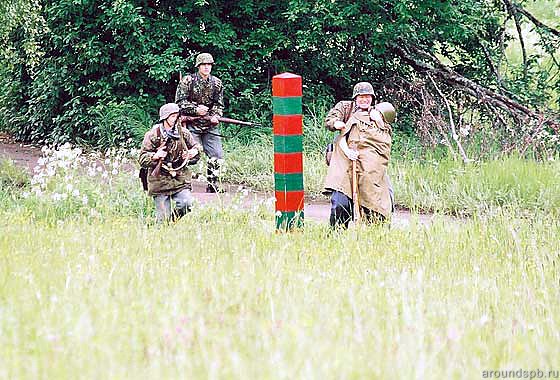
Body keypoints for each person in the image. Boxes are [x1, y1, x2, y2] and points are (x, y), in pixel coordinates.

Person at [323, 82, 395, 228]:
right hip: (345, 160)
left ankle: (374, 236)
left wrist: (379, 119)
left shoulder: (377, 112)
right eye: (361, 97)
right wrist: (337, 123)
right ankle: (336, 235)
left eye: (367, 97)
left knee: (379, 199)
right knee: (340, 202)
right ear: (355, 98)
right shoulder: (345, 107)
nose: (364, 100)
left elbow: (385, 134)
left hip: (370, 163)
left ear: (372, 98)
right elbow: (331, 119)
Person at [139, 103, 202, 223]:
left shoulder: (183, 133)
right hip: (159, 181)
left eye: (176, 116)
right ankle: (163, 228)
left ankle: (171, 223)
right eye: (172, 116)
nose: (175, 119)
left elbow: (197, 147)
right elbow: (142, 158)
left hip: (179, 179)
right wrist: (155, 156)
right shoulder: (153, 135)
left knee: (186, 204)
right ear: (165, 118)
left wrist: (193, 152)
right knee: (162, 219)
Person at [175, 52, 225, 193]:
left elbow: (219, 104)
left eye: (209, 64)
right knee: (192, 155)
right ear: (198, 66)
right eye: (203, 65)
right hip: (190, 125)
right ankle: (180, 182)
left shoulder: (216, 83)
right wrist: (196, 110)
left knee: (217, 155)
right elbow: (179, 104)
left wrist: (216, 116)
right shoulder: (187, 81)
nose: (206, 67)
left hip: (210, 126)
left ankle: (212, 184)